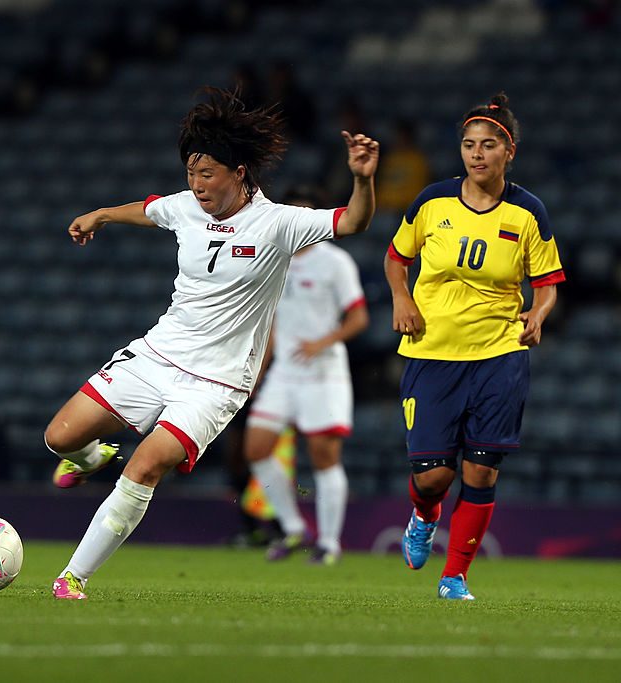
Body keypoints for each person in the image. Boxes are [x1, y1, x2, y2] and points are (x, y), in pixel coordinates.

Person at [43, 87, 379, 600]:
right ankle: (92, 457)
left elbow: (353, 221)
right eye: (191, 173)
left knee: (145, 466)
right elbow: (150, 208)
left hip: (216, 383)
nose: (196, 185)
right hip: (158, 354)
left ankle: (72, 577)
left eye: (207, 174)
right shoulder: (185, 207)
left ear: (239, 171)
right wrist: (103, 214)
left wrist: (361, 179)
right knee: (60, 437)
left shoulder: (280, 223)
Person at [385, 93, 564, 600]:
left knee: (480, 469)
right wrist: (401, 298)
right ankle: (423, 515)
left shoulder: (529, 212)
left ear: (509, 152)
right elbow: (396, 259)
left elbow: (547, 282)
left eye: (488, 145)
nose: (476, 154)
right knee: (435, 478)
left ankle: (455, 576)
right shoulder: (432, 202)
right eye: (468, 145)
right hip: (432, 352)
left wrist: (538, 312)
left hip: (499, 354)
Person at [243, 185, 369, 566]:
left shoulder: (335, 262)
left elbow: (359, 317)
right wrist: (256, 373)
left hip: (323, 372)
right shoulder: (273, 260)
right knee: (256, 447)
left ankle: (329, 543)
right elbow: (271, 326)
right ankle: (294, 527)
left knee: (324, 458)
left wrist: (322, 342)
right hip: (284, 372)